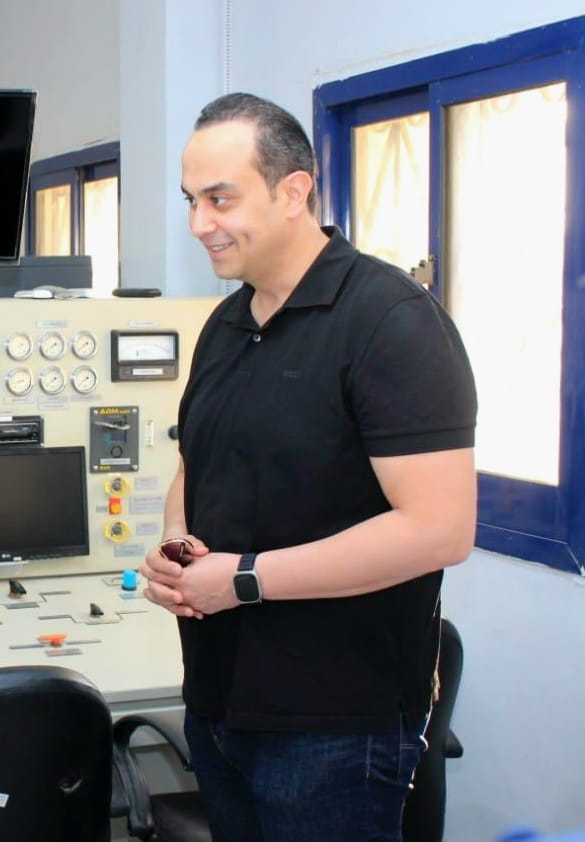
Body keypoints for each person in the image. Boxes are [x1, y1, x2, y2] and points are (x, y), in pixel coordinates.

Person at [141, 93, 477, 842]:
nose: (199, 224)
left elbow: (439, 530)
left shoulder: (389, 323)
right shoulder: (227, 324)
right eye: (191, 201)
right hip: (220, 701)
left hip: (334, 727)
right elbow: (197, 462)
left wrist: (242, 579)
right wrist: (176, 544)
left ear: (293, 191)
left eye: (220, 199)